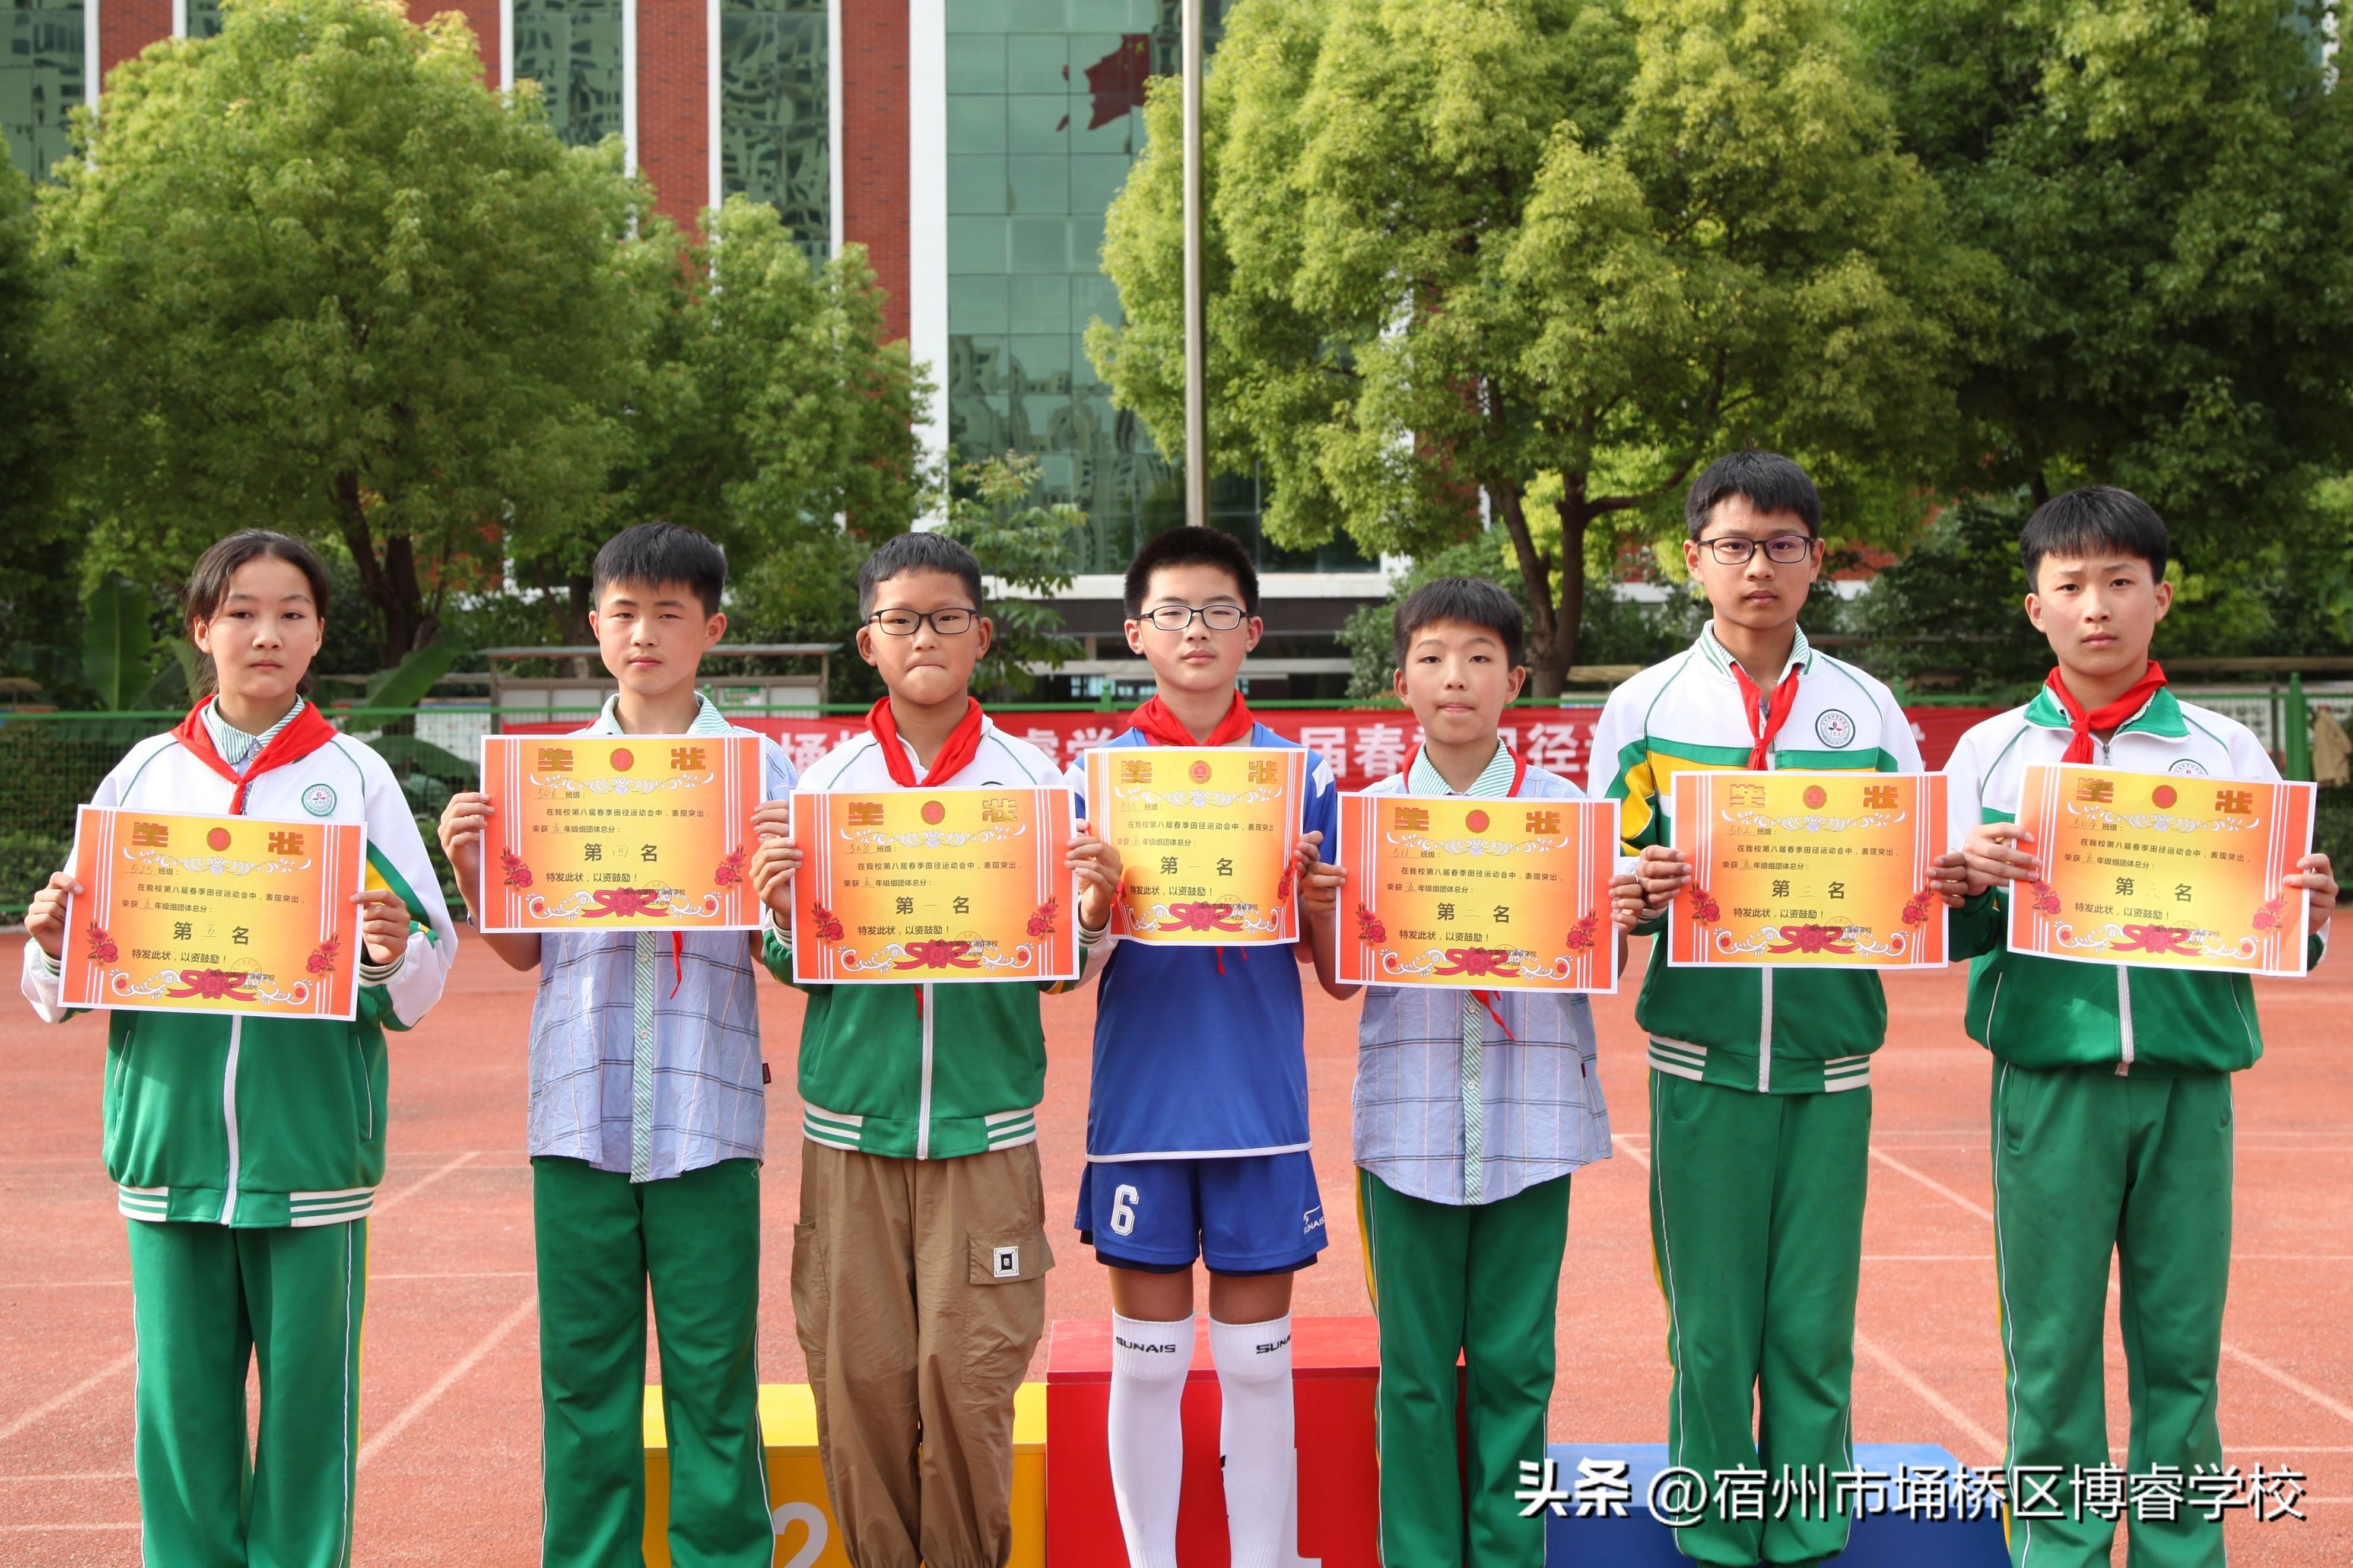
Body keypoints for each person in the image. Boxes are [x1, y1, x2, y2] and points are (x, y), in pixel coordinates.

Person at [21, 529, 455, 1568]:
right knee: (178, 1417)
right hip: (167, 1152)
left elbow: (427, 974)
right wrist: (48, 947)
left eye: (292, 613)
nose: (267, 633)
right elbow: (59, 987)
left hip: (310, 1157)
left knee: (309, 1421)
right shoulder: (142, 778)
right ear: (201, 630)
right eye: (243, 612)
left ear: (316, 636)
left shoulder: (357, 780)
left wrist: (390, 954)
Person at [1943, 486, 2336, 1568]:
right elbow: (1942, 927)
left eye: (2120, 582)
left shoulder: (2223, 755)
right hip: (2047, 1084)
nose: (2096, 607)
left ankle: (2179, 1549)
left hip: (2186, 1088)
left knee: (2180, 1349)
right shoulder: (1985, 753)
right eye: (2069, 586)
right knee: (2053, 1350)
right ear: (2035, 610)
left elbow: (2285, 942)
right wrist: (1966, 883)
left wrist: (2304, 906)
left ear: (2161, 598)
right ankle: (2057, 1552)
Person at [746, 532, 1124, 1568]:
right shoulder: (824, 789)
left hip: (984, 1131)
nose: (925, 636)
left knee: (968, 1388)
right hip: (849, 1135)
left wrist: (1088, 910)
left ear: (982, 636)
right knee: (858, 1384)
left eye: (947, 618)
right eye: (901, 618)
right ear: (867, 640)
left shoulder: (1035, 783)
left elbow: (1054, 969)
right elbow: (799, 968)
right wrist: (779, 916)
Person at [437, 523, 792, 1568]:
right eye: (624, 613)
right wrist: (470, 866)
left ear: (711, 629)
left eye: (670, 613)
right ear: (594, 626)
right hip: (577, 1111)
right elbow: (518, 951)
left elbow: (788, 950)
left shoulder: (759, 769)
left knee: (713, 1381)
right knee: (584, 1386)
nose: (645, 633)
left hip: (710, 1111)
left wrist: (783, 890)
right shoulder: (544, 774)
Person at [1598, 451, 1925, 1567]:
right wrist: (1632, 891)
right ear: (1692, 561)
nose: (1758, 568)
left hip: (1832, 1065)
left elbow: (1911, 872)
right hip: (1700, 1061)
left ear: (1815, 561)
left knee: (1812, 1323)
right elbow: (1602, 890)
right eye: (1734, 545)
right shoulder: (1643, 708)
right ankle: (1712, 1523)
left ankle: (1809, 1523)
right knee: (1712, 1326)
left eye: (1782, 545)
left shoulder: (1866, 707)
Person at [1317, 576, 1633, 1568]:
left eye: (1479, 658)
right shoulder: (1364, 818)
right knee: (1412, 1371)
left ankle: (1507, 1552)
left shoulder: (1572, 817)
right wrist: (1323, 903)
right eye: (1432, 657)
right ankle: (1417, 1555)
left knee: (1514, 1365)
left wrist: (1612, 914)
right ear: (1400, 680)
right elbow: (1334, 981)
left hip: (1532, 1121)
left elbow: (1605, 970)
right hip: (1404, 1125)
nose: (1455, 678)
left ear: (1516, 678)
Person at [1065, 525, 1345, 1568]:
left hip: (1260, 1110)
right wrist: (1092, 902)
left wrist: (1321, 904)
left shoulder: (1300, 777)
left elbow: (1337, 971)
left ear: (1253, 632)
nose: (1197, 630)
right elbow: (1067, 970)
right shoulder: (1098, 778)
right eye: (1174, 612)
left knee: (1259, 1369)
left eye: (1219, 612)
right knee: (1145, 1367)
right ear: (1136, 632)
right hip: (1141, 1111)